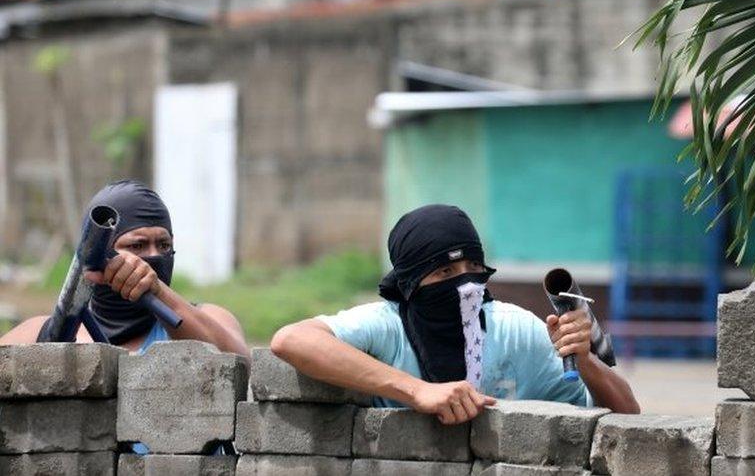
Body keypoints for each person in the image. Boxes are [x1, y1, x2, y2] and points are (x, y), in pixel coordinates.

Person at [272, 204, 640, 424]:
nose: (464, 283)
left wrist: (585, 360)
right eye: (445, 272)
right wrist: (417, 391)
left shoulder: (515, 329)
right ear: (412, 284)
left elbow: (628, 415)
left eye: (473, 266)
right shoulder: (389, 325)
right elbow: (291, 340)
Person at [0, 180, 248, 358]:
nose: (153, 256)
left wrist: (158, 291)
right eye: (137, 245)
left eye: (164, 245)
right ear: (101, 253)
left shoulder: (207, 319)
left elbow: (242, 364)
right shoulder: (42, 333)